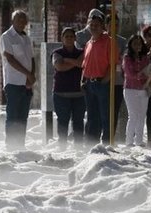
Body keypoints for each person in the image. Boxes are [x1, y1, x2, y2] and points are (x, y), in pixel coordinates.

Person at [0, 10, 35, 150]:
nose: (22, 23)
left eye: (23, 21)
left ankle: (20, 145)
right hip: (13, 82)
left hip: (27, 83)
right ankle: (11, 146)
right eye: (19, 20)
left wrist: (31, 76)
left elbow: (32, 59)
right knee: (13, 115)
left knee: (22, 116)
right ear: (13, 21)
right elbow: (10, 59)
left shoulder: (26, 38)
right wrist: (27, 74)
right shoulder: (6, 37)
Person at [122, 34, 151, 147]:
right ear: (130, 45)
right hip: (130, 89)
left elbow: (149, 68)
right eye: (135, 44)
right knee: (133, 115)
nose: (137, 46)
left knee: (142, 115)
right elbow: (130, 74)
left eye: (139, 44)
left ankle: (139, 140)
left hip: (143, 89)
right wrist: (144, 76)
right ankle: (129, 141)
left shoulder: (144, 58)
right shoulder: (127, 58)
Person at [52, 27, 85, 149]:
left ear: (75, 38)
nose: (69, 39)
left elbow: (82, 64)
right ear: (62, 38)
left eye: (71, 36)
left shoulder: (81, 52)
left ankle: (78, 147)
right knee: (62, 121)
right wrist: (74, 62)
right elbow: (59, 67)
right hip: (61, 94)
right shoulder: (57, 53)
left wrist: (67, 60)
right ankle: (62, 147)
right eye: (67, 36)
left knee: (78, 122)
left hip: (79, 94)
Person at [81, 12, 112, 145]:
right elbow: (85, 64)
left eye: (97, 25)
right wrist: (82, 80)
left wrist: (104, 80)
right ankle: (91, 144)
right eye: (91, 25)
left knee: (105, 117)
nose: (94, 27)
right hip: (89, 84)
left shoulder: (108, 41)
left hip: (101, 84)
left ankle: (106, 144)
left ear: (102, 27)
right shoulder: (88, 43)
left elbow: (113, 64)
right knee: (92, 117)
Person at [105, 13, 127, 142]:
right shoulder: (101, 39)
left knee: (115, 111)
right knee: (103, 111)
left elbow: (123, 59)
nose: (114, 28)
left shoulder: (122, 41)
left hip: (118, 80)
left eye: (117, 25)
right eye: (112, 25)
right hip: (103, 79)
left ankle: (111, 138)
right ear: (106, 26)